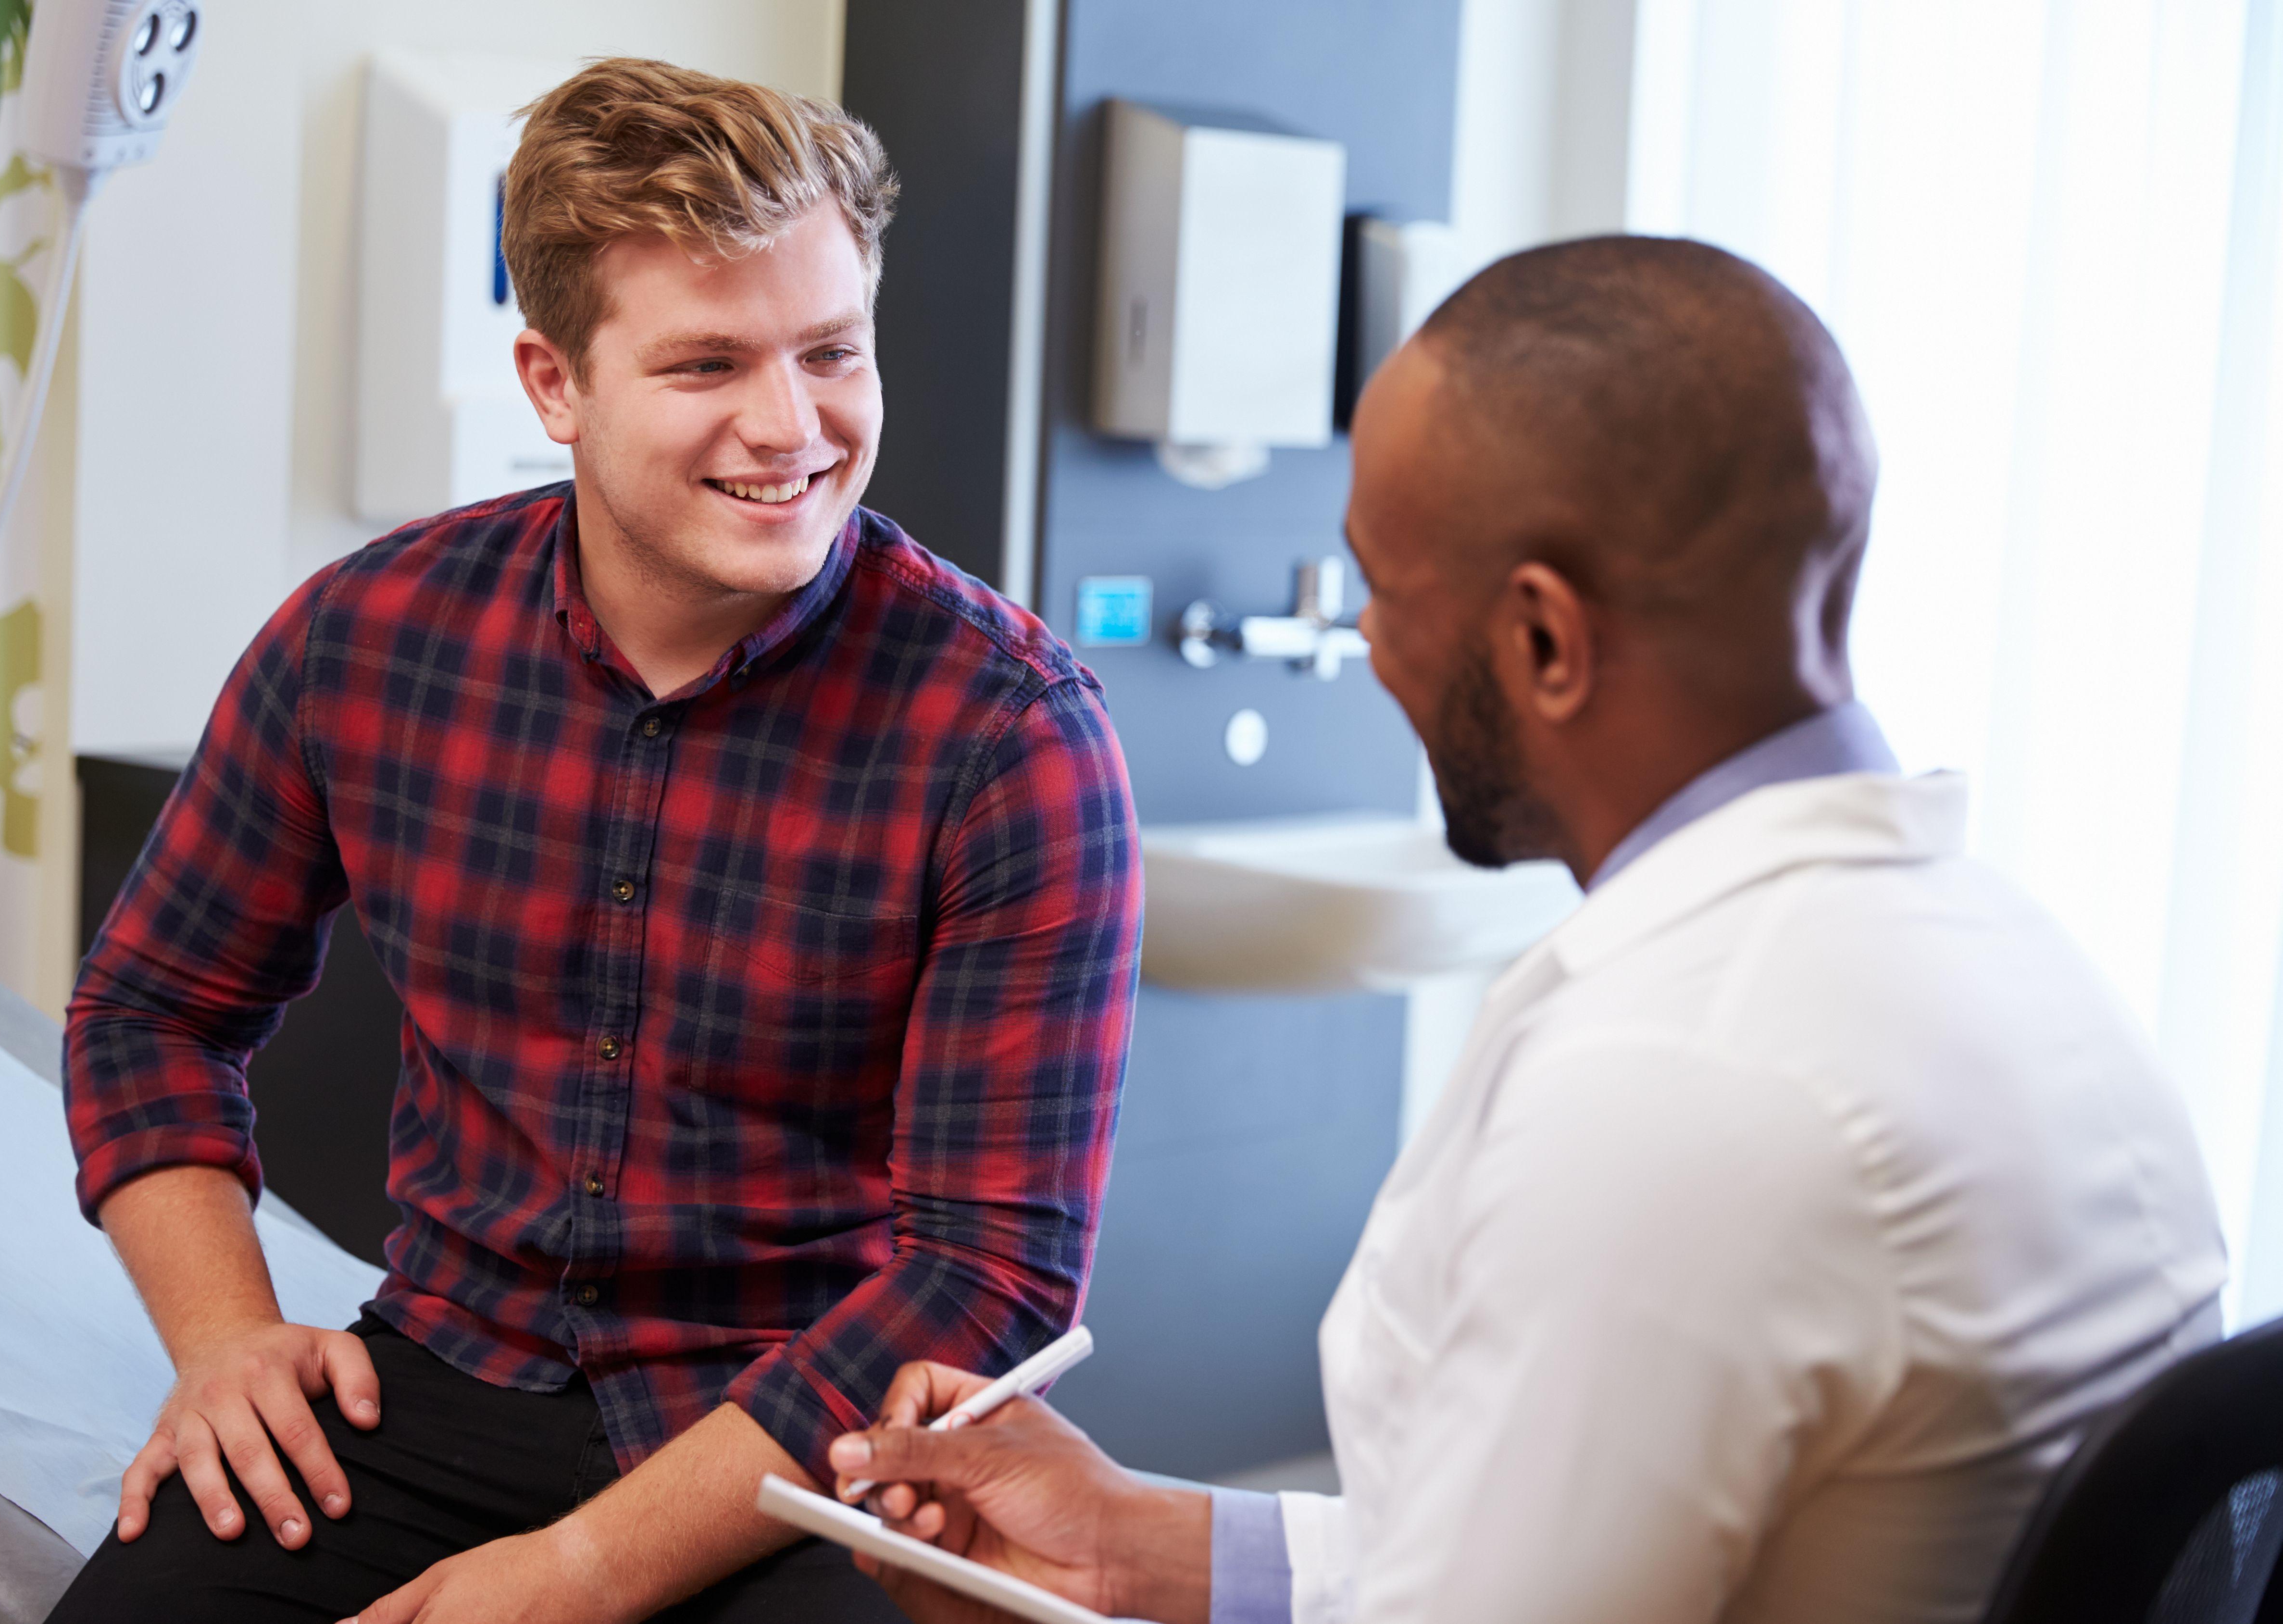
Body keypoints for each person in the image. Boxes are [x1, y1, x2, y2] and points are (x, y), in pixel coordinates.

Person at [822, 237, 2228, 1624]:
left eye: (1381, 585)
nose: (1367, 642)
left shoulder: (1679, 1077)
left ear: (1545, 641)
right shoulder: (2014, 966)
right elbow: (1563, 1549)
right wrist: (1138, 1546)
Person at [49, 59, 1140, 1624]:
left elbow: (987, 1275)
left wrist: (577, 1572)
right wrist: (226, 1342)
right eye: (708, 365)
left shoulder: (1010, 735)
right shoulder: (366, 641)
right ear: (553, 385)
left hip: (816, 1442)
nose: (792, 427)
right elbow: (151, 1011)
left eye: (832, 351)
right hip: (434, 1381)